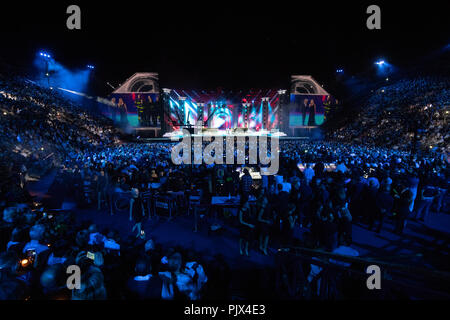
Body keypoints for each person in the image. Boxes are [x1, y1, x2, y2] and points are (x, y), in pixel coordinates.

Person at [256, 188, 272, 255]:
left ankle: (261, 246)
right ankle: (264, 248)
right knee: (266, 236)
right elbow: (259, 218)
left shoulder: (267, 206)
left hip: (265, 223)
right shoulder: (263, 207)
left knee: (262, 235)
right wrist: (266, 221)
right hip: (264, 224)